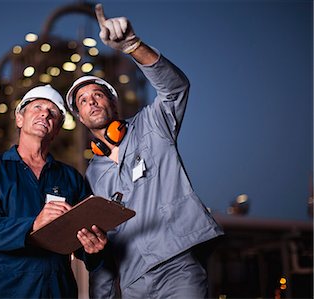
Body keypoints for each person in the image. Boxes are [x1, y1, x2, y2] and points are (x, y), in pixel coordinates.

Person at [65, 4, 224, 298]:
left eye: (98, 94)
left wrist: (133, 46)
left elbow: (176, 89)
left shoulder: (152, 125)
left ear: (113, 103)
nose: (92, 101)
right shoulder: (93, 176)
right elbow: (104, 246)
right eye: (83, 100)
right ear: (80, 118)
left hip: (177, 266)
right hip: (132, 281)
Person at [0, 84, 107, 298]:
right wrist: (32, 224)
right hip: (8, 291)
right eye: (37, 107)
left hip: (58, 291)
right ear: (20, 119)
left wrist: (93, 249)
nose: (44, 114)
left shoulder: (70, 177)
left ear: (57, 129)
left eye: (53, 113)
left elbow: (82, 244)